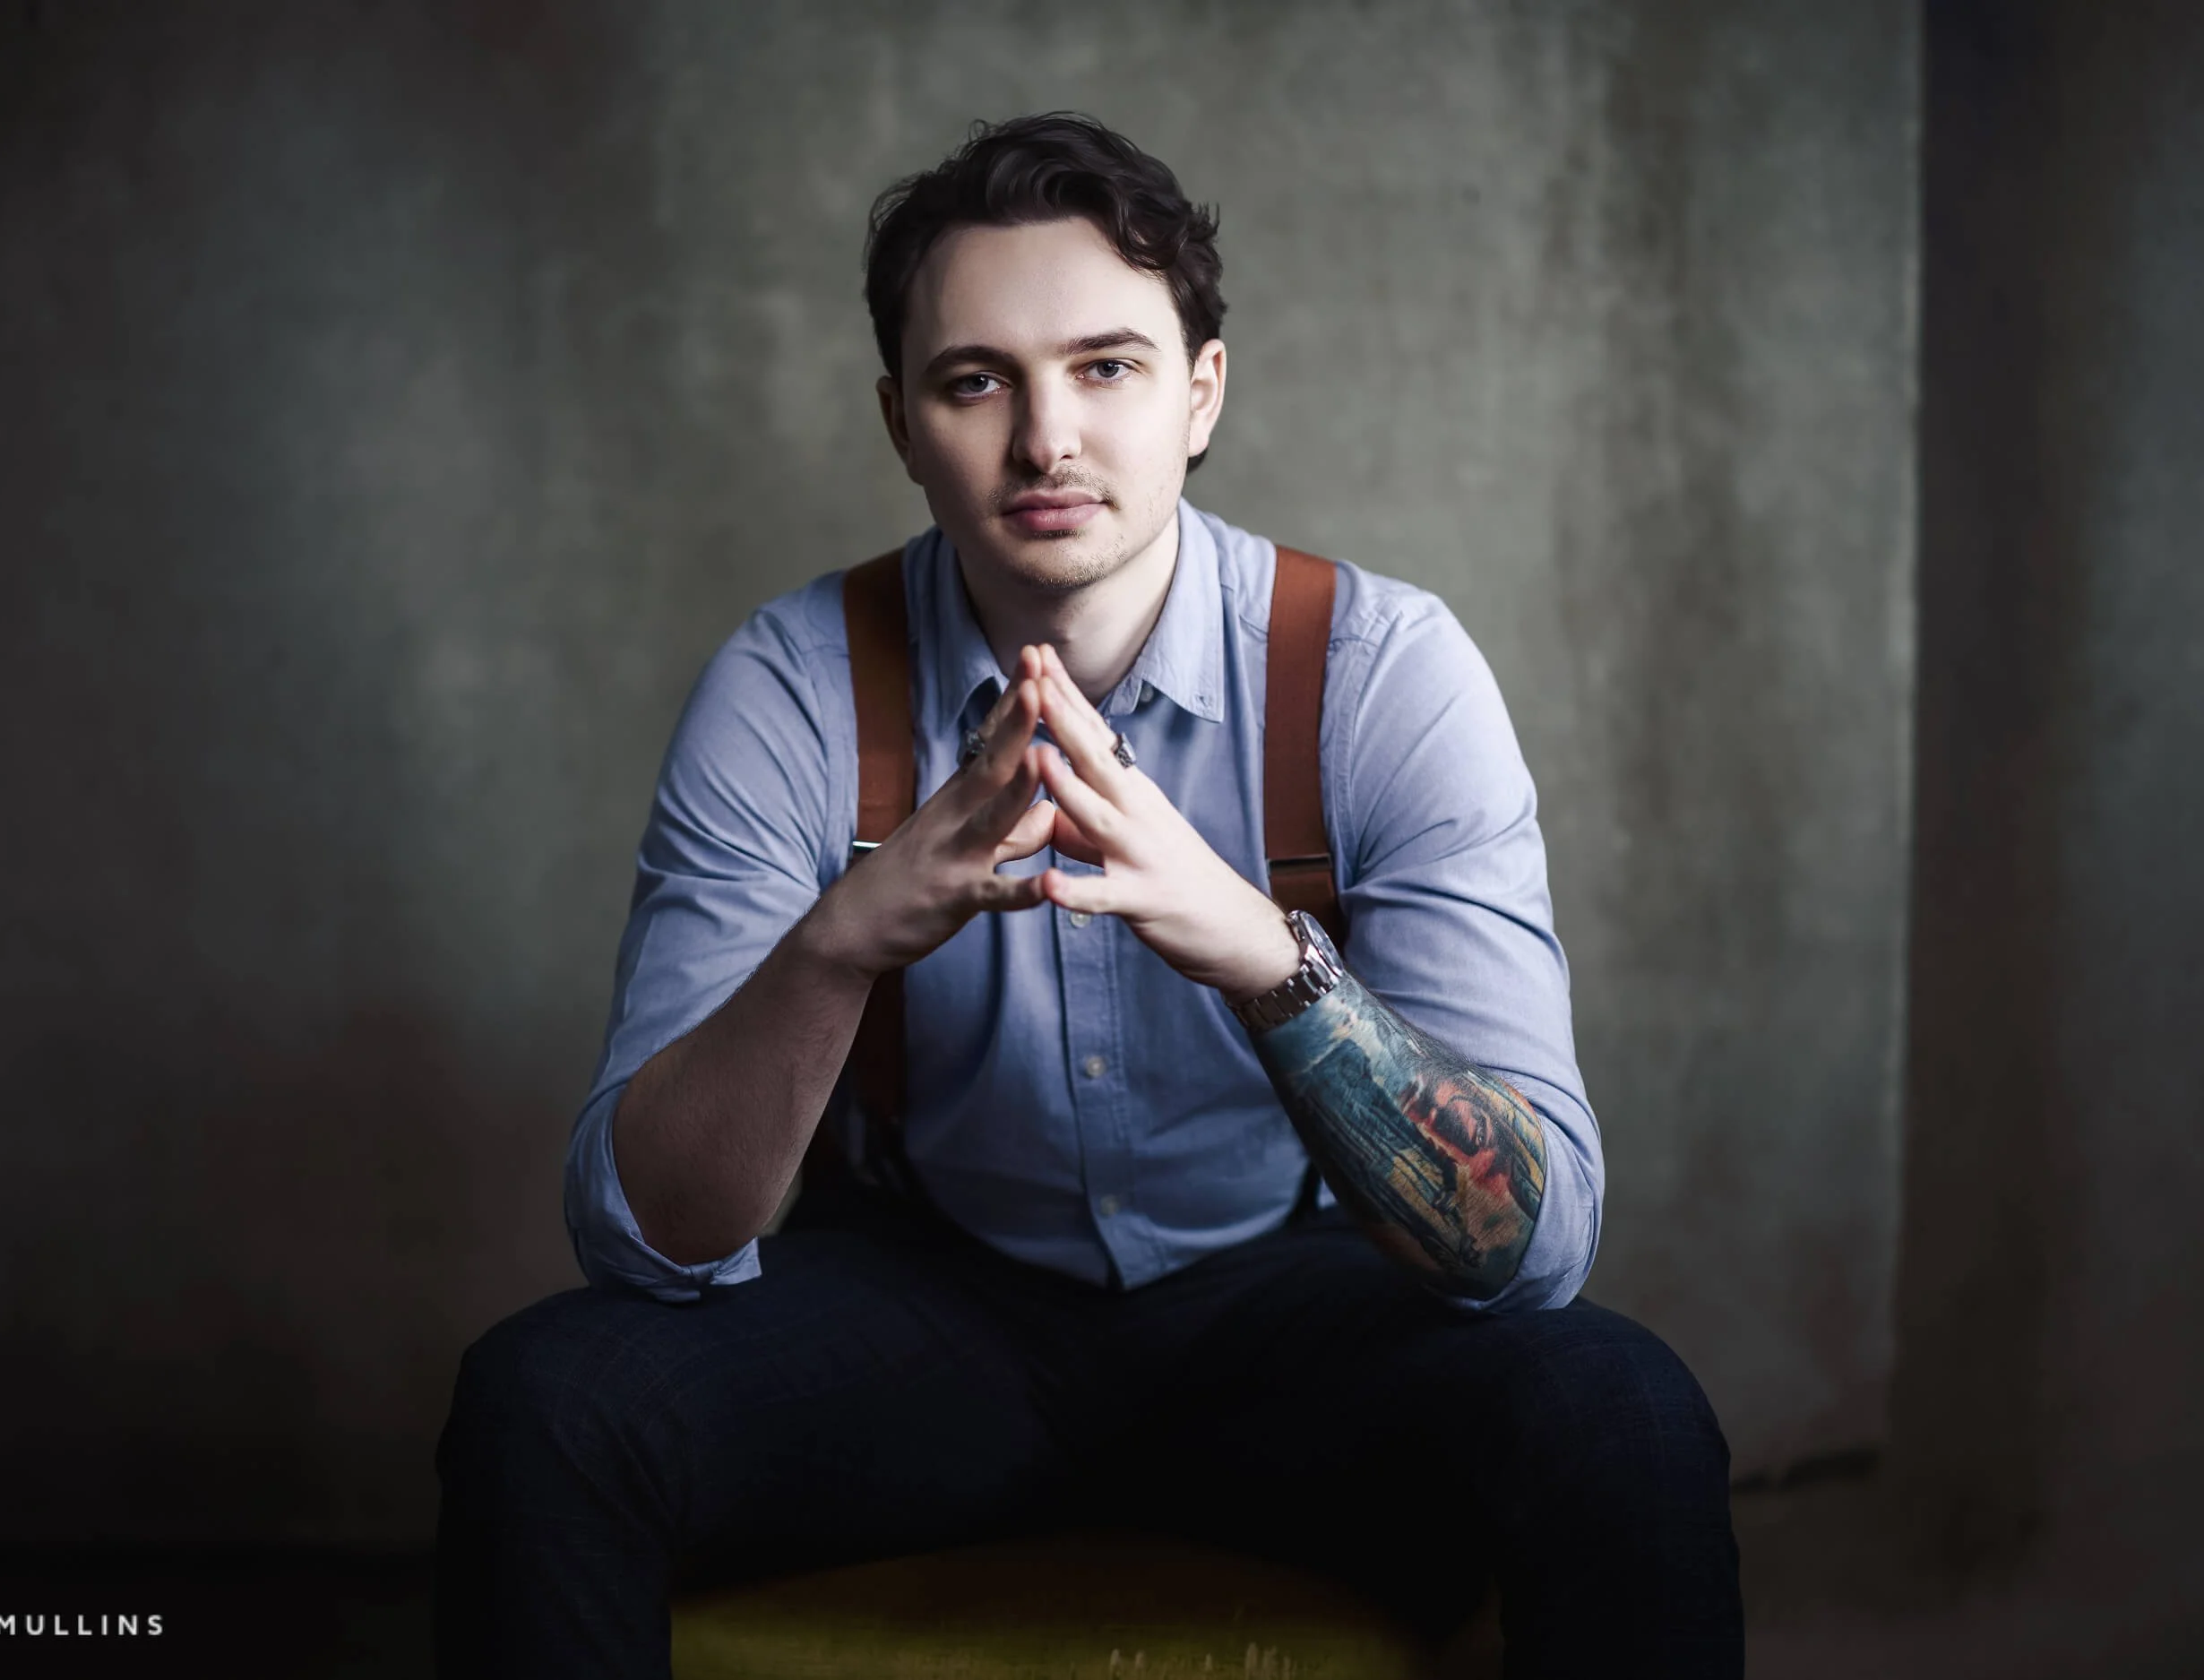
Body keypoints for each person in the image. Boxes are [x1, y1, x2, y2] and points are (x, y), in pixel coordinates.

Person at [434, 111, 1742, 1677]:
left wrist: (1266, 956)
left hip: (1290, 1327)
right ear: (901, 423)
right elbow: (647, 1243)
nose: (1045, 438)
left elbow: (1534, 1246)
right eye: (975, 379)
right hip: (936, 1313)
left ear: (1202, 393)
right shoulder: (790, 687)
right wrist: (841, 945)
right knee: (546, 1404)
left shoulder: (1385, 674)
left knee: (1622, 1410)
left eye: (1108, 367)